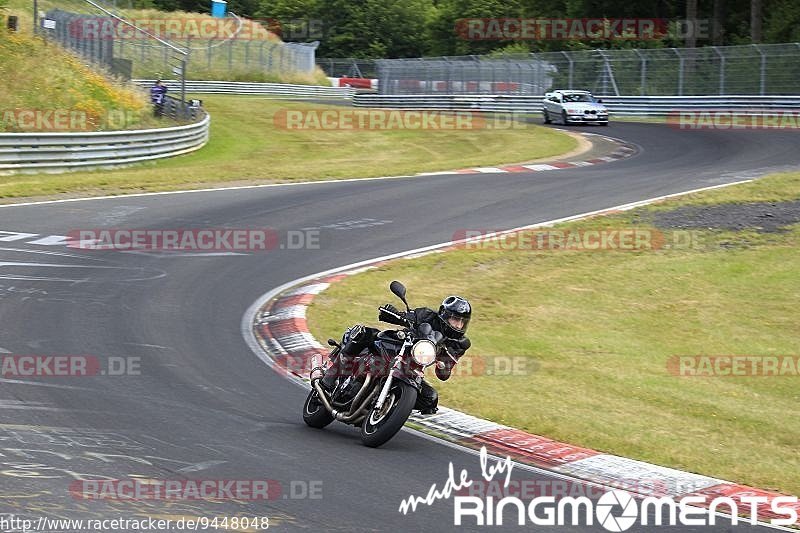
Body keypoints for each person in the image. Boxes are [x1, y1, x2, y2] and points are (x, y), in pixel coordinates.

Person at [320, 295, 472, 415]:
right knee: (364, 333)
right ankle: (329, 379)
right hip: (399, 345)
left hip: (414, 365)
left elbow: (445, 372)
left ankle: (389, 408)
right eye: (455, 319)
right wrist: (394, 314)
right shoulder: (427, 315)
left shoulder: (459, 343)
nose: (458, 325)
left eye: (462, 322)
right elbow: (408, 316)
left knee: (430, 398)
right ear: (445, 314)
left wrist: (443, 366)